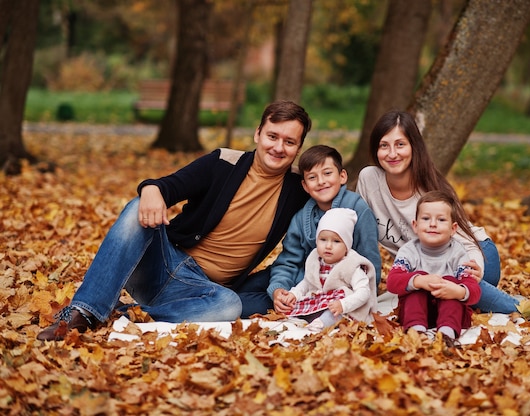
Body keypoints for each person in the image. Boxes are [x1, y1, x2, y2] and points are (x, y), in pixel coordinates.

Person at [37, 100, 312, 341]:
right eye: (272, 136)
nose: (278, 147)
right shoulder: (222, 163)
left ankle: (127, 315)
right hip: (163, 264)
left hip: (206, 292)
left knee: (230, 307)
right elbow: (166, 185)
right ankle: (83, 311)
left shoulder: (297, 191)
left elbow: (334, 202)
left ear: (298, 148)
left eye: (289, 142)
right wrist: (151, 189)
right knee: (137, 208)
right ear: (257, 134)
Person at [356, 110, 520, 314]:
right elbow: (362, 233)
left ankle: (522, 307)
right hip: (426, 265)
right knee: (428, 290)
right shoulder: (368, 179)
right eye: (384, 145)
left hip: (474, 255)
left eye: (400, 144)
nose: (392, 153)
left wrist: (471, 271)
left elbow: (467, 241)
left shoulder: (432, 188)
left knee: (446, 286)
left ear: (413, 147)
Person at [267, 145, 381, 314]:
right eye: (313, 177)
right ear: (305, 186)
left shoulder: (357, 209)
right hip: (307, 287)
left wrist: (364, 299)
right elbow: (289, 261)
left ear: (342, 176)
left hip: (347, 292)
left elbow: (370, 260)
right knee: (257, 286)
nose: (321, 181)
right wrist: (279, 290)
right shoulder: (301, 218)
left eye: (327, 173)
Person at [386, 190, 481, 344]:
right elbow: (392, 282)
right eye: (425, 218)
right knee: (417, 281)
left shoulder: (458, 253)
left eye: (441, 219)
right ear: (415, 226)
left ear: (453, 228)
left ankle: (446, 336)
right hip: (414, 312)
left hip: (452, 314)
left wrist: (458, 290)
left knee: (450, 280)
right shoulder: (409, 251)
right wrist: (418, 281)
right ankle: (416, 332)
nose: (432, 224)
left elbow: (475, 290)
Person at [280, 208, 378, 329]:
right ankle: (304, 318)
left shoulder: (351, 265)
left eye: (336, 241)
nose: (328, 246)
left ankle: (322, 323)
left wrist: (343, 305)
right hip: (320, 301)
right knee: (298, 305)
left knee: (336, 311)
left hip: (343, 308)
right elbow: (307, 282)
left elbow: (364, 292)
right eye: (323, 239)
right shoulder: (315, 260)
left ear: (346, 245)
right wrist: (295, 293)